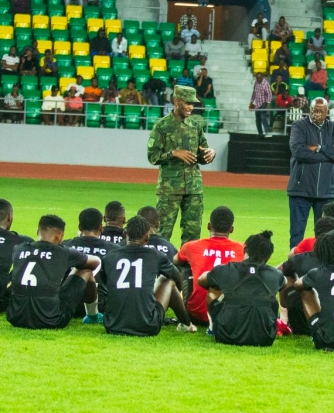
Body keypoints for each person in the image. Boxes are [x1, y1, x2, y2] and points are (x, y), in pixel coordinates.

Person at [5, 215, 101, 330]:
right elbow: (95, 262)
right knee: (86, 270)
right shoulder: (63, 252)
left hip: (16, 317)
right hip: (51, 320)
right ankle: (93, 316)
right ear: (60, 236)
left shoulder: (19, 249)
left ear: (37, 231)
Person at [100, 215, 188, 337]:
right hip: (148, 326)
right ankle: (186, 324)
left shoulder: (110, 256)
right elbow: (176, 276)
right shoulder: (155, 255)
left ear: (125, 234)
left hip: (112, 325)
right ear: (147, 236)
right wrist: (177, 294)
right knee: (167, 280)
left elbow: (104, 282)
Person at [147, 86, 215, 244]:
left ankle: (187, 269)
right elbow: (152, 157)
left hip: (194, 187)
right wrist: (173, 153)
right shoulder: (161, 126)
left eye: (193, 103)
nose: (191, 107)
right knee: (162, 232)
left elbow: (202, 153)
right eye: (188, 103)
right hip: (170, 187)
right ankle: (161, 267)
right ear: (176, 101)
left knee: (193, 234)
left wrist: (210, 153)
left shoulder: (196, 126)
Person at [197, 231, 283, 347]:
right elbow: (286, 285)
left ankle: (213, 328)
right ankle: (283, 322)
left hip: (226, 336)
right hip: (265, 338)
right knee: (272, 296)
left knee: (213, 288)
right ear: (268, 256)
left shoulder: (226, 269)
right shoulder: (277, 275)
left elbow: (201, 280)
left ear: (245, 249)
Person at [287, 97, 334, 247]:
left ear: (327, 112)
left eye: (322, 111)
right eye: (315, 110)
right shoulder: (299, 126)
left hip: (326, 191)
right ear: (310, 110)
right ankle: (293, 265)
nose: (318, 113)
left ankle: (322, 265)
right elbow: (299, 152)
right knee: (296, 233)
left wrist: (320, 148)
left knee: (325, 234)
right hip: (300, 189)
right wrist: (329, 155)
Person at [176, 207, 245, 327]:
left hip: (198, 315)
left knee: (186, 268)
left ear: (209, 226)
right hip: (230, 315)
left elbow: (175, 261)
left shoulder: (191, 246)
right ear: (232, 229)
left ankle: (186, 311)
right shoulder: (243, 249)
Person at [249, 71, 274, 137]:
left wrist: (268, 104)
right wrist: (251, 103)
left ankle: (267, 132)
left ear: (262, 77)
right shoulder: (256, 83)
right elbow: (254, 93)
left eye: (259, 78)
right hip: (257, 104)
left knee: (263, 117)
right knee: (257, 120)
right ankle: (260, 133)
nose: (258, 79)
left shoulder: (266, 84)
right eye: (257, 78)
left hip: (263, 103)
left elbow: (269, 94)